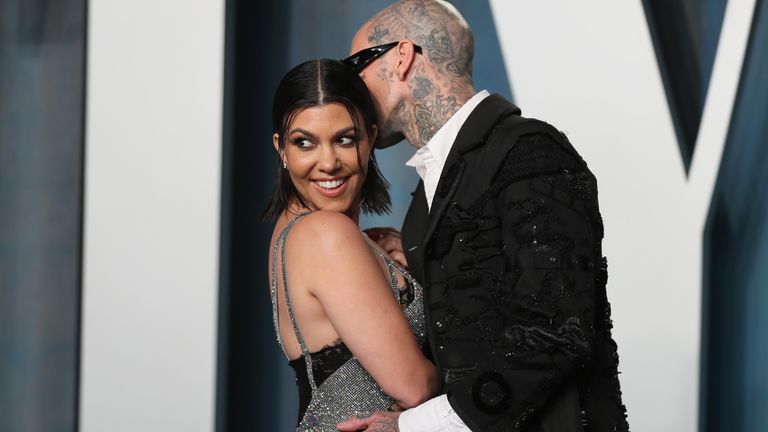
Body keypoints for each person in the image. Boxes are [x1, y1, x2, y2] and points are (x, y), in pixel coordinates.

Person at [337, 1, 629, 431]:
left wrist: (414, 427)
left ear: (401, 57)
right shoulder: (434, 184)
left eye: (356, 66)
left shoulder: (530, 151)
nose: (350, 90)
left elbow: (554, 331)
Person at [265, 59, 439, 431]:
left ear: (371, 137)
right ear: (281, 147)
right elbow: (415, 389)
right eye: (304, 143)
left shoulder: (298, 231)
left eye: (345, 139)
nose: (328, 163)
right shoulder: (325, 234)